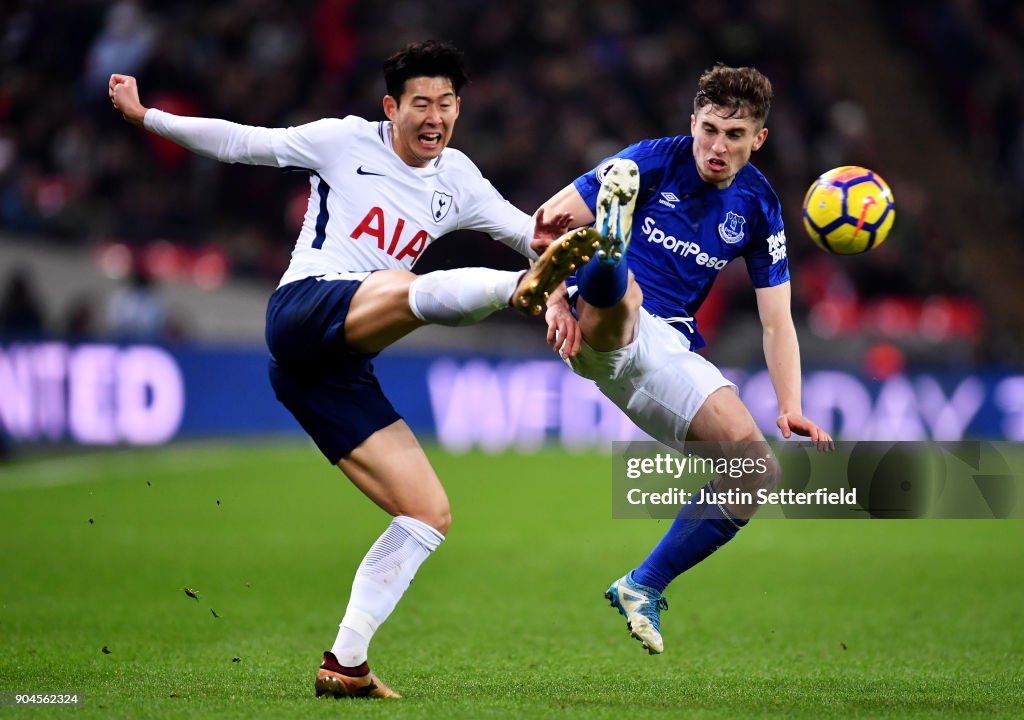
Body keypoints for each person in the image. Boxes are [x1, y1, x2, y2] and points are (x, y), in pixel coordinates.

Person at [109, 40, 597, 698]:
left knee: (427, 513)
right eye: (421, 103)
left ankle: (346, 664)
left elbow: (530, 235)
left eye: (447, 103)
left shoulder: (459, 179)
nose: (436, 116)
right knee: (402, 283)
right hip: (303, 311)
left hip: (334, 368)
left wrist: (568, 274)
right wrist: (148, 117)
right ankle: (514, 294)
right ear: (391, 106)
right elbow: (241, 142)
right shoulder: (341, 142)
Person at [537, 63, 834, 655]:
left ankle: (642, 584)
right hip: (603, 326)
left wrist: (792, 405)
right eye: (709, 130)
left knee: (755, 473)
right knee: (624, 293)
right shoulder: (652, 159)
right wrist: (551, 301)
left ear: (759, 139)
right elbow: (546, 224)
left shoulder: (759, 205)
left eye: (734, 135)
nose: (717, 147)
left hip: (670, 348)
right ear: (692, 122)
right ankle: (606, 254)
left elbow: (778, 322)